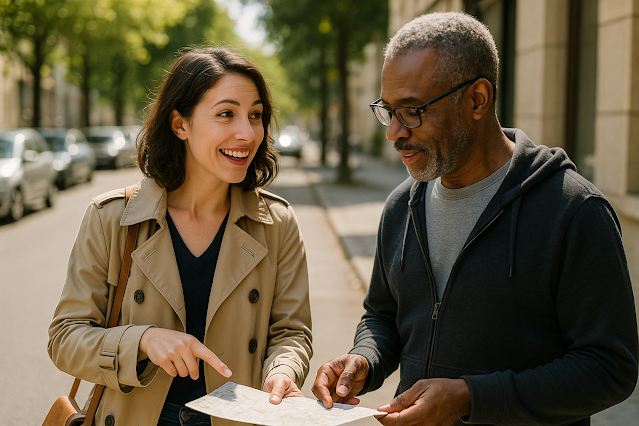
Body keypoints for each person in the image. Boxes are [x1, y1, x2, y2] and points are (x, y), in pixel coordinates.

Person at [312, 12, 638, 426]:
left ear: (477, 99)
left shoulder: (573, 211)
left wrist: (471, 397)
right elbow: (383, 314)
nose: (394, 131)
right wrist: (365, 358)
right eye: (388, 110)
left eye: (412, 110)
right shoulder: (400, 207)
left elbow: (611, 368)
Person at [48, 47, 312, 426]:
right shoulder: (112, 218)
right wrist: (142, 340)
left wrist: (282, 372)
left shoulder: (277, 223)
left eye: (256, 115)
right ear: (180, 124)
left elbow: (291, 332)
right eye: (226, 114)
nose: (247, 132)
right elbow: (65, 338)